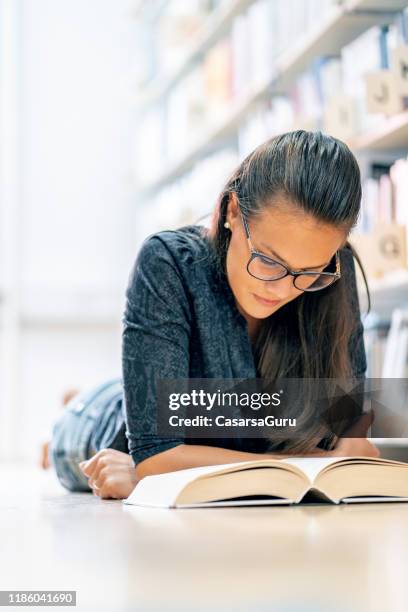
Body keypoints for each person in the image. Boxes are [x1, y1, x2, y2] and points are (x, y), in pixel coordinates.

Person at [49, 130, 379, 499]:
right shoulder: (168, 261)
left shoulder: (335, 269)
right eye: (268, 261)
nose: (282, 288)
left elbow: (352, 448)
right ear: (233, 212)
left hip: (196, 416)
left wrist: (170, 468)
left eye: (307, 273)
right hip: (106, 428)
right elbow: (155, 457)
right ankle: (76, 402)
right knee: (73, 434)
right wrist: (153, 468)